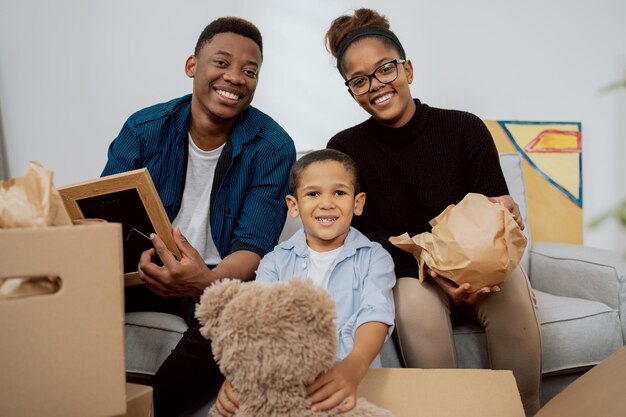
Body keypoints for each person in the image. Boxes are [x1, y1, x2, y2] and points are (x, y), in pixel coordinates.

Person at [324, 8, 542, 416]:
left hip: (482, 269)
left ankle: (525, 410)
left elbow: (493, 214)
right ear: (351, 90)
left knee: (511, 291)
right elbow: (366, 241)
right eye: (359, 80)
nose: (376, 86)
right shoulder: (345, 149)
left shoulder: (464, 129)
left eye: (385, 69)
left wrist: (507, 219)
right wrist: (436, 275)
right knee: (412, 302)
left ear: (406, 69)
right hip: (415, 276)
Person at [102, 17, 296, 417]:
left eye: (249, 70)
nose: (235, 77)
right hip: (141, 269)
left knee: (240, 318)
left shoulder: (273, 147)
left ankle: (149, 411)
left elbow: (252, 247)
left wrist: (204, 282)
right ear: (193, 65)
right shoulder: (144, 128)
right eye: (221, 63)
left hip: (217, 274)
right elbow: (107, 220)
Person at [213, 149, 396, 416]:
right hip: (284, 383)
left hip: (348, 380)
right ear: (293, 205)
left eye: (339, 193)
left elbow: (375, 313)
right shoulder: (274, 261)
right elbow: (257, 322)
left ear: (358, 203)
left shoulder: (374, 257)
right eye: (313, 194)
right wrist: (240, 374)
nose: (327, 204)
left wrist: (354, 366)